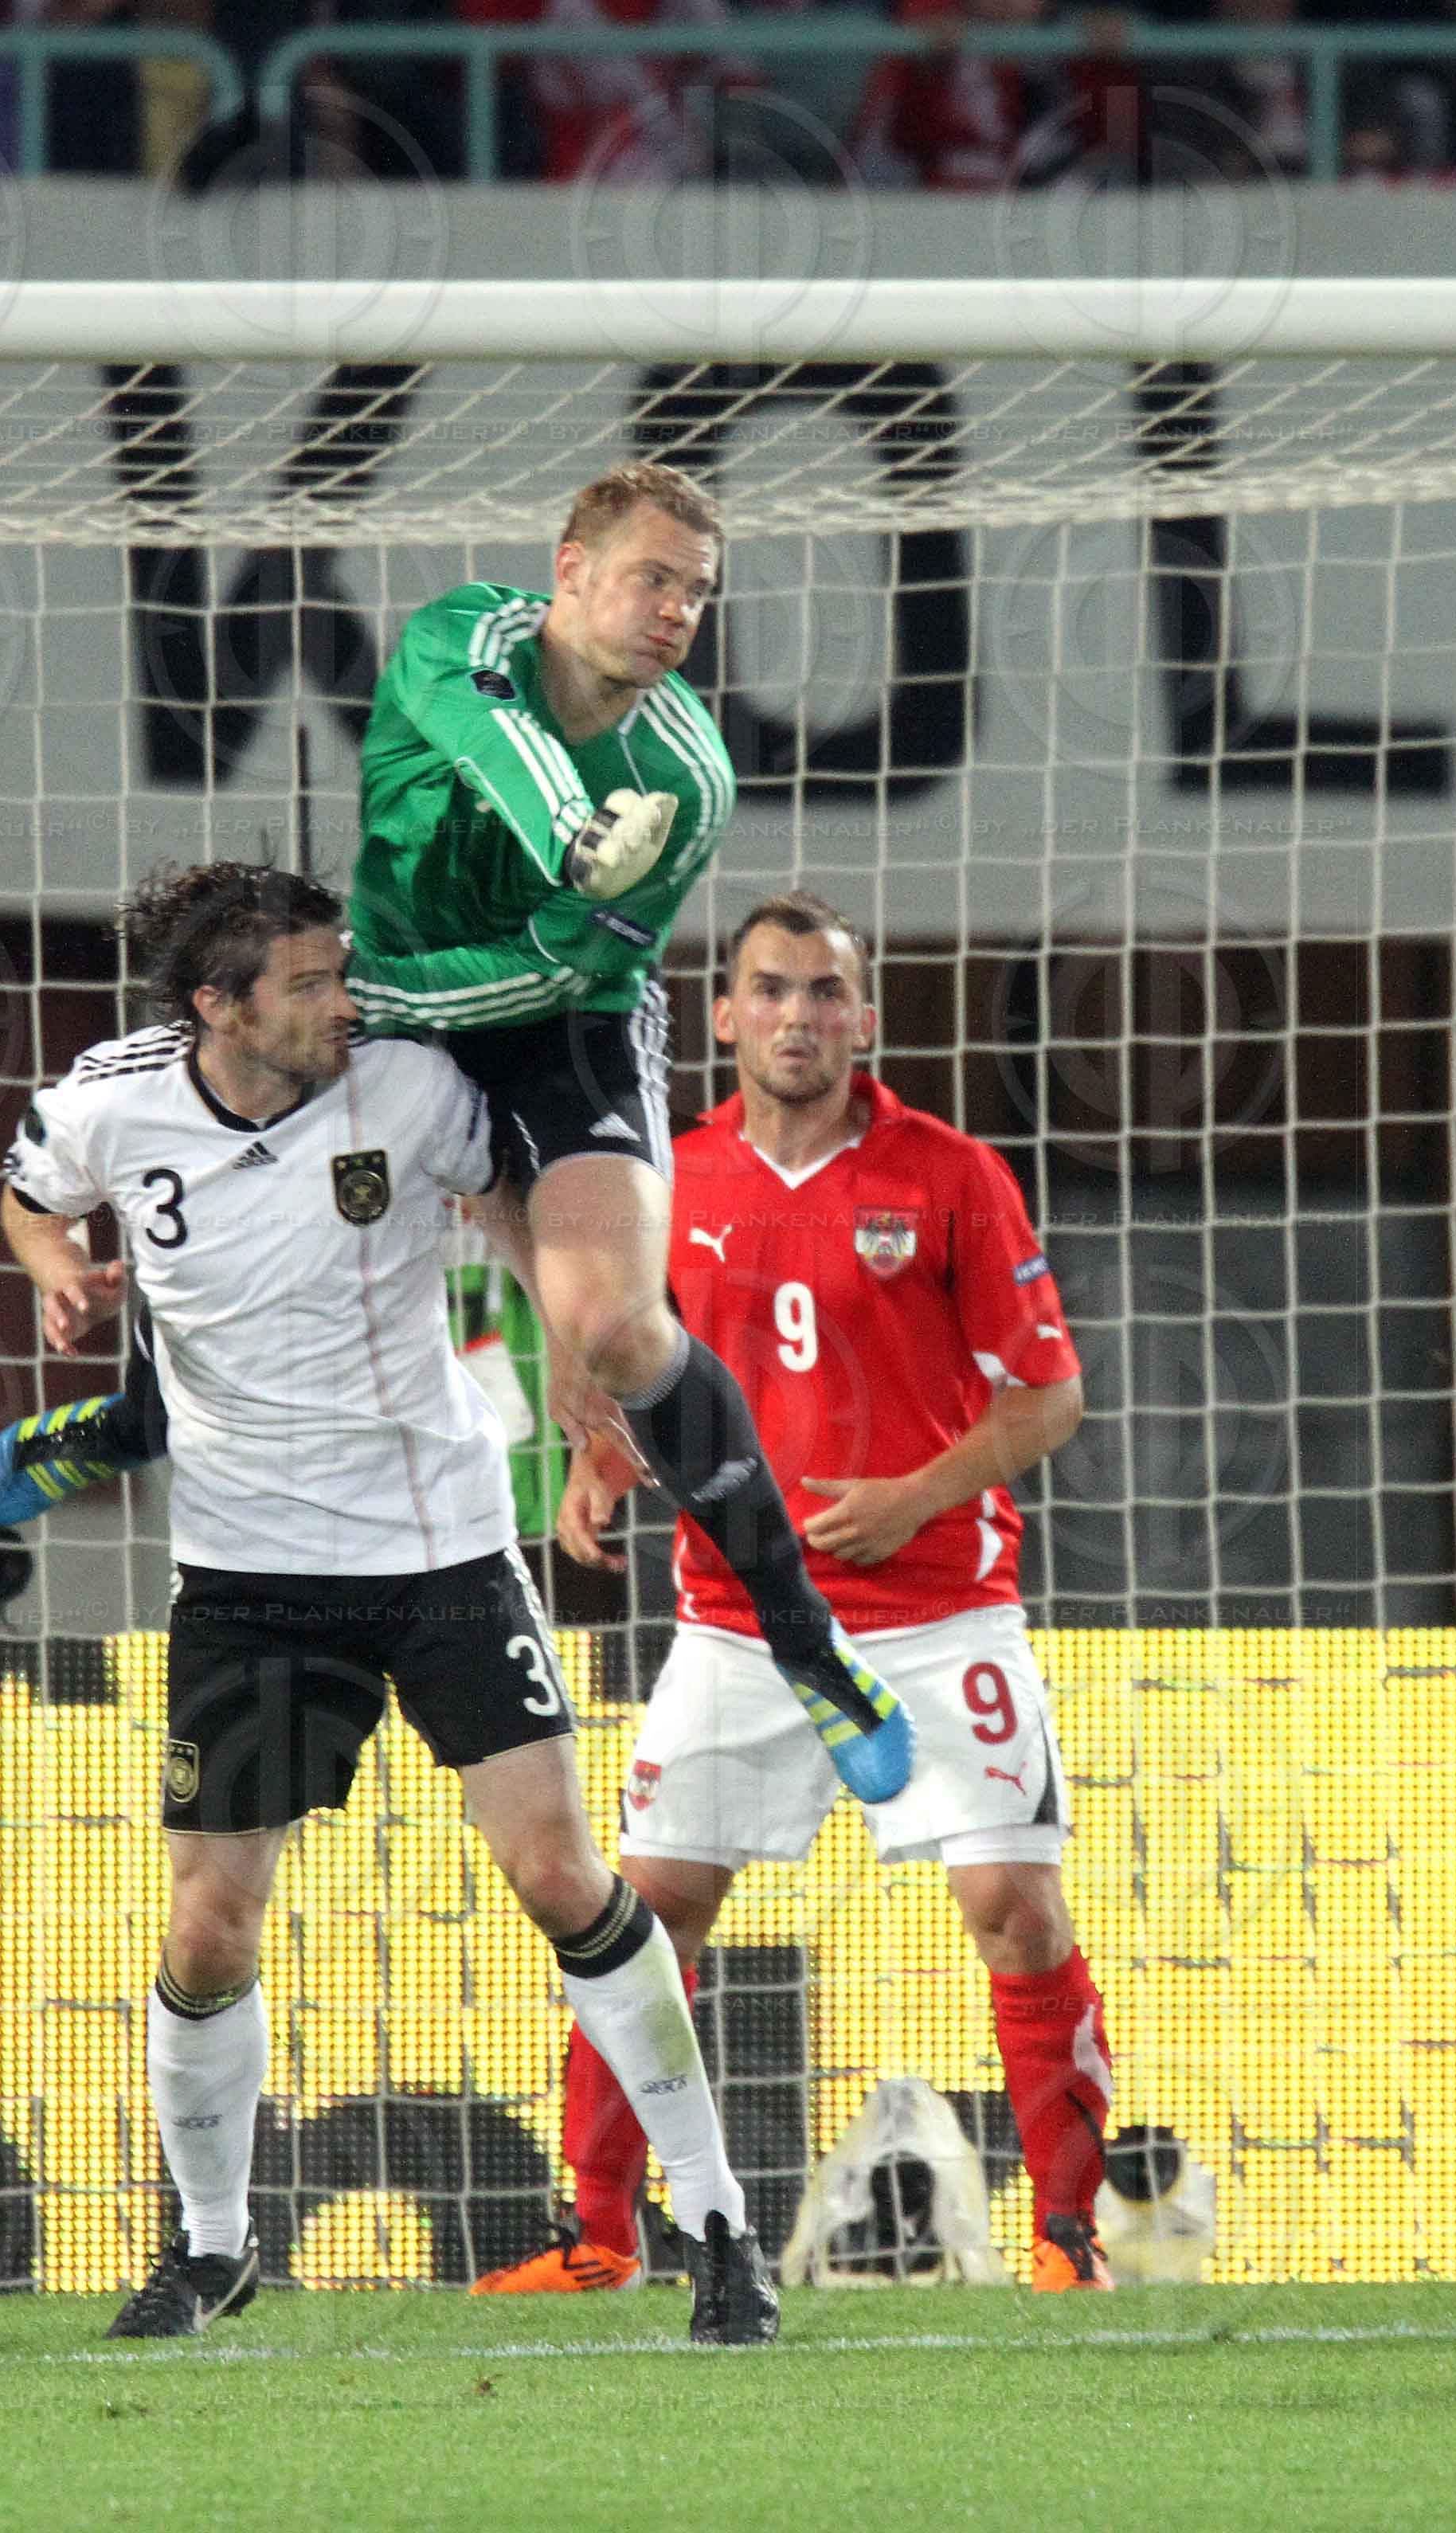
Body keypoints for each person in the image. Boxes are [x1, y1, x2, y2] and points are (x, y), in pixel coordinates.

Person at [1, 861, 777, 2347]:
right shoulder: (112, 1097)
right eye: (306, 984)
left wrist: (562, 1341)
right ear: (215, 1007)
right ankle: (214, 2246)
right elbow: (32, 1195)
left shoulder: (412, 1086)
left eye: (339, 972)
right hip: (242, 1576)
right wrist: (63, 1275)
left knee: (559, 1874)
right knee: (209, 1925)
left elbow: (513, 1202)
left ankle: (716, 2222)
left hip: (433, 1554)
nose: (341, 1002)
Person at [477, 891, 1111, 2296]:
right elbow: (639, 1367)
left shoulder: (948, 1173)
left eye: (825, 994)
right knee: (639, 1904)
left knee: (1015, 1905)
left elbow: (1051, 1399)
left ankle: (1066, 2241)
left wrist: (912, 1496)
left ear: (862, 1020)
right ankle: (598, 2231)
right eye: (769, 990)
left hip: (939, 1609)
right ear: (722, 1016)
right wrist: (596, 1456)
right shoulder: (667, 1179)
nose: (796, 1017)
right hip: (736, 1617)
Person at [342, 456, 915, 1809]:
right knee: (253, 1215)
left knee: (611, 1326)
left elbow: (551, 970)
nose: (673, 613)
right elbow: (504, 753)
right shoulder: (457, 640)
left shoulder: (690, 772)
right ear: (571, 570)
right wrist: (570, 835)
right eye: (651, 578)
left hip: (558, 1019)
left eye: (697, 594)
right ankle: (124, 1417)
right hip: (379, 992)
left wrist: (393, 1039)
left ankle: (807, 1642)